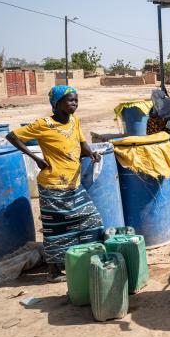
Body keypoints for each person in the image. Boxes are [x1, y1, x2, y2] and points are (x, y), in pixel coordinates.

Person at [6, 85, 103, 282]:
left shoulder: (74, 121)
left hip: (74, 184)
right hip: (53, 185)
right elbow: (12, 136)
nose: (74, 103)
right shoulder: (44, 124)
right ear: (56, 104)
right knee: (56, 229)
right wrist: (35, 158)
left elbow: (81, 142)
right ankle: (53, 270)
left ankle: (81, 260)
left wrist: (91, 153)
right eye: (70, 100)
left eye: (76, 100)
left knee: (91, 220)